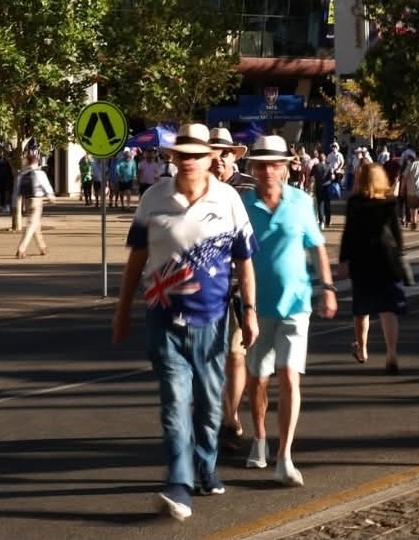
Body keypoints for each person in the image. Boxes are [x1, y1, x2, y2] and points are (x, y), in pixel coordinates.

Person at [111, 123, 260, 522]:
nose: (189, 161)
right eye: (182, 155)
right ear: (173, 158)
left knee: (210, 404)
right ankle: (179, 481)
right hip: (162, 317)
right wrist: (122, 310)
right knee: (175, 401)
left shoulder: (228, 199)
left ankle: (206, 465)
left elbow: (245, 260)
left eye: (197, 155)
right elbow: (136, 259)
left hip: (211, 319)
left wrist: (249, 311)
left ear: (211, 157)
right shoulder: (153, 198)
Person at [242, 135, 337, 487]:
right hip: (257, 306)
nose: (268, 170)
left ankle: (285, 456)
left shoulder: (301, 202)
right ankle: (259, 437)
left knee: (289, 375)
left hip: (296, 303)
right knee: (257, 378)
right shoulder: (243, 204)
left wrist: (327, 288)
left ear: (286, 167)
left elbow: (317, 246)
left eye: (275, 164)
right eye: (262, 164)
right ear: (253, 168)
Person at [208, 127, 256, 455]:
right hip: (206, 288)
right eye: (213, 153)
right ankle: (219, 414)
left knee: (236, 354)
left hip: (240, 285)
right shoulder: (195, 189)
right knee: (208, 357)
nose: (218, 160)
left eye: (224, 153)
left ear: (232, 156)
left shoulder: (249, 188)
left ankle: (231, 416)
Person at [338, 162, 409, 373]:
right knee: (388, 309)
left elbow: (349, 232)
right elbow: (397, 234)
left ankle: (362, 349)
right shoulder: (390, 202)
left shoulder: (355, 202)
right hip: (386, 259)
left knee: (362, 308)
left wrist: (343, 260)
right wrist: (400, 255)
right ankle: (391, 353)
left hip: (362, 259)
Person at [14, 152, 55, 259]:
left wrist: (15, 204)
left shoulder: (22, 174)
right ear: (36, 162)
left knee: (36, 224)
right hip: (37, 200)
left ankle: (42, 247)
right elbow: (46, 185)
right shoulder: (40, 173)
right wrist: (51, 196)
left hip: (26, 201)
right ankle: (21, 249)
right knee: (32, 224)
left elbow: (17, 191)